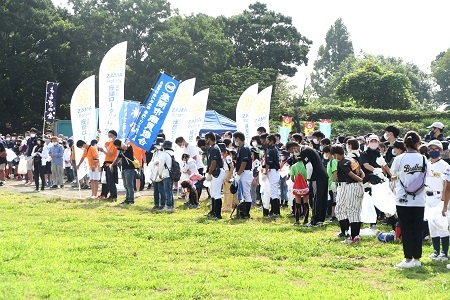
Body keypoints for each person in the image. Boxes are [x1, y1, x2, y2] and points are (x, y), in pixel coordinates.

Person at [391, 131, 431, 268]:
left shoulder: (399, 158)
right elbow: (428, 176)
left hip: (402, 198)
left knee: (406, 228)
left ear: (404, 144)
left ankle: (408, 259)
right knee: (417, 228)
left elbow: (393, 174)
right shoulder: (424, 159)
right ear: (418, 143)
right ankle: (417, 259)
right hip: (419, 199)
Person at [331, 144, 365, 243]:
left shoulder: (342, 163)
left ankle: (354, 236)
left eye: (333, 155)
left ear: (336, 154)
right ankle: (346, 232)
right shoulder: (352, 160)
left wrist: (361, 181)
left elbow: (350, 174)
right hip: (351, 186)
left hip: (350, 186)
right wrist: (362, 180)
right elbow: (362, 172)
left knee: (352, 211)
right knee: (341, 208)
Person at [424, 140, 449, 261]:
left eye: (436, 149)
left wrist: (443, 202)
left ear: (441, 151)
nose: (433, 151)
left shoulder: (445, 166)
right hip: (428, 197)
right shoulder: (426, 164)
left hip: (439, 197)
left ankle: (444, 252)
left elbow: (446, 184)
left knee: (441, 225)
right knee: (432, 225)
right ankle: (436, 251)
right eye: (431, 149)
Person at [298, 144, 328, 226]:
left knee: (315, 198)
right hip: (323, 176)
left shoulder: (304, 151)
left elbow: (309, 167)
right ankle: (321, 219)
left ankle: (315, 220)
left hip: (316, 177)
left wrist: (308, 179)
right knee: (322, 198)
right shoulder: (310, 149)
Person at [204, 132, 225, 219]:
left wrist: (209, 172)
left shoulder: (214, 148)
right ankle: (213, 211)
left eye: (206, 139)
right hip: (215, 172)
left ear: (209, 139)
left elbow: (214, 162)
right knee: (213, 193)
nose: (205, 141)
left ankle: (218, 214)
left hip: (217, 172)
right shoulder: (213, 148)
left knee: (216, 194)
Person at [233, 131, 253, 219]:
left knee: (246, 194)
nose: (235, 141)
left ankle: (246, 213)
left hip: (245, 172)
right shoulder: (241, 148)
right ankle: (243, 211)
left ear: (238, 139)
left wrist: (238, 174)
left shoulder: (244, 148)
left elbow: (244, 163)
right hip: (243, 173)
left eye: (235, 139)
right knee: (244, 194)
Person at [112, 139, 136, 205]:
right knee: (125, 185)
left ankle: (131, 200)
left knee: (129, 184)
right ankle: (127, 198)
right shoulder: (121, 151)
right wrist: (112, 165)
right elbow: (118, 158)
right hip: (124, 169)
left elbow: (124, 146)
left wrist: (122, 140)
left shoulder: (129, 148)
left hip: (130, 169)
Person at [98, 130, 118, 201]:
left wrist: (103, 151)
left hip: (111, 164)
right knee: (108, 181)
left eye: (110, 136)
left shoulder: (114, 144)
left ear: (114, 136)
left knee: (111, 181)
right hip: (107, 163)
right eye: (108, 136)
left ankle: (113, 195)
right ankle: (111, 195)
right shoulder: (110, 143)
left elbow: (110, 154)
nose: (109, 137)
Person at [264, 135, 281, 217]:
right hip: (274, 171)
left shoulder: (271, 150)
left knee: (274, 191)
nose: (266, 142)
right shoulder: (273, 149)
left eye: (268, 141)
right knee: (274, 191)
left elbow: (268, 163)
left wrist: (265, 171)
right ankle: (275, 210)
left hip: (273, 171)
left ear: (271, 141)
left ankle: (275, 211)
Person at [156, 140, 176, 211]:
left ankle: (168, 206)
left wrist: (160, 173)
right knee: (170, 190)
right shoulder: (173, 153)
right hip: (172, 174)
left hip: (166, 174)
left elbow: (161, 164)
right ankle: (171, 205)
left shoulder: (164, 154)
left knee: (167, 191)